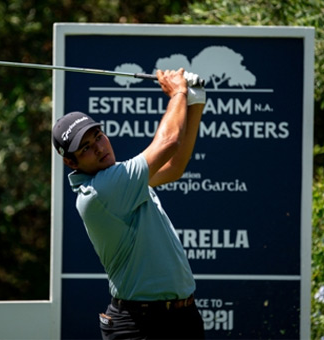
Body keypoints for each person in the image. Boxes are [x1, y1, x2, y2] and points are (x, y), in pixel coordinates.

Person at [52, 68, 206, 340]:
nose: (99, 148)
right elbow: (169, 142)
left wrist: (195, 103)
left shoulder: (118, 178)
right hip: (142, 325)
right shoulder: (103, 189)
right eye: (85, 147)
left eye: (97, 136)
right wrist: (178, 92)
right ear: (71, 162)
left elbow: (173, 168)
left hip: (180, 318)